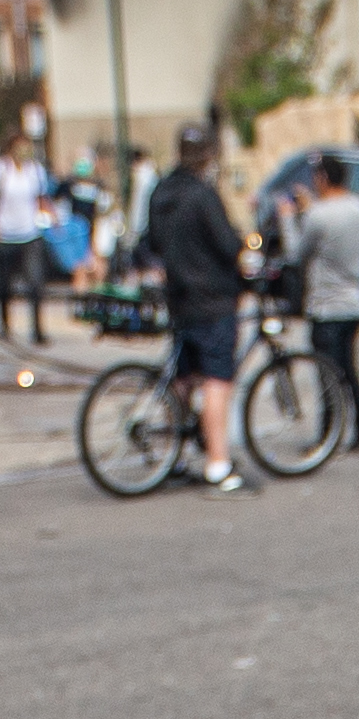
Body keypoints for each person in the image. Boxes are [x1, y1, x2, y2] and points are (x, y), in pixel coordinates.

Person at [145, 119, 253, 492]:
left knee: (182, 376)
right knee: (217, 380)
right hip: (213, 299)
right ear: (208, 155)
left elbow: (152, 242)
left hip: (179, 297)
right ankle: (218, 464)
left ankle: (174, 454)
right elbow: (227, 244)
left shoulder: (161, 192)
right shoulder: (203, 195)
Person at [298, 150, 359, 452]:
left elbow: (297, 252)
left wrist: (292, 217)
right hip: (355, 302)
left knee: (326, 373)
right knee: (350, 369)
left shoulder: (318, 215)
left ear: (322, 178)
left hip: (326, 305)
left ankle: (327, 436)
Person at [0, 117, 62, 345]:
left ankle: (38, 330)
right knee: (3, 285)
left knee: (35, 283)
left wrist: (53, 217)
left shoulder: (35, 171)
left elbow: (42, 198)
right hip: (4, 234)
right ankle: (4, 326)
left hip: (30, 234)